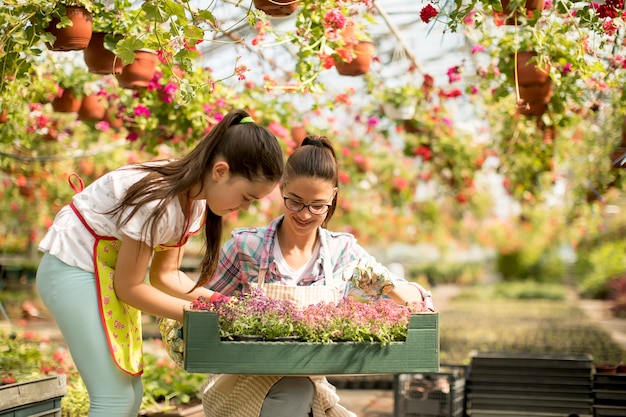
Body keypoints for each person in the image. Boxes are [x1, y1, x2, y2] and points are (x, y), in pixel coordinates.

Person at [35, 109, 285, 417]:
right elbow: (129, 288)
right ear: (220, 171)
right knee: (113, 397)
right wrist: (200, 317)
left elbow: (166, 275)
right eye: (247, 196)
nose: (244, 207)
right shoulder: (159, 198)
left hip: (102, 276)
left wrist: (224, 305)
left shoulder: (193, 203)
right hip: (72, 268)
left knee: (129, 395)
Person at [200, 135, 435, 417]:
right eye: (295, 202)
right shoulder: (245, 246)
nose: (304, 214)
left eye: (317, 205)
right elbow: (199, 305)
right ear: (282, 187)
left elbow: (415, 300)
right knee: (294, 390)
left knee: (300, 389)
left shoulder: (342, 252)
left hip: (309, 384)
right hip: (240, 385)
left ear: (333, 196)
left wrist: (385, 283)